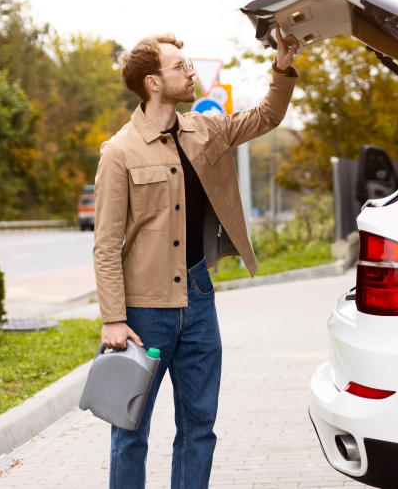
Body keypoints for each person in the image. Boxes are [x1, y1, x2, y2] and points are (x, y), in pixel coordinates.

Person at [93, 24, 299, 488]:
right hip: (143, 312)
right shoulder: (119, 152)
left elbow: (266, 116)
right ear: (152, 82)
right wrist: (112, 318)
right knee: (130, 431)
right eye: (180, 67)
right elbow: (105, 243)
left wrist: (282, 69)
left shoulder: (205, 130)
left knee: (199, 429)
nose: (190, 74)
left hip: (199, 298)